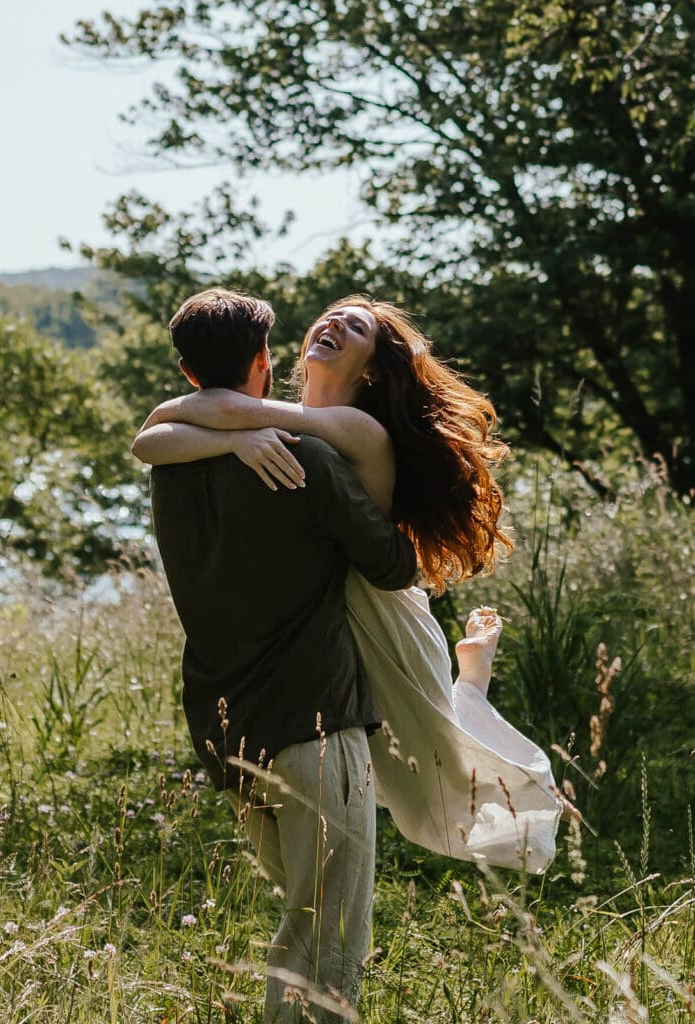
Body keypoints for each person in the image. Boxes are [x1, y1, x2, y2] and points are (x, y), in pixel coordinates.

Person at [134, 295, 567, 875]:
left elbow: (167, 424)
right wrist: (232, 439)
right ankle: (468, 676)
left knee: (441, 754)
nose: (334, 321)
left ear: (370, 369)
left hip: (379, 605)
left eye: (355, 325)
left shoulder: (355, 428)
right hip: (330, 607)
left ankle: (474, 678)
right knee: (410, 755)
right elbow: (158, 437)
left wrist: (230, 429)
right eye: (331, 315)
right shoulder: (272, 423)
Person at [145, 289, 417, 1022]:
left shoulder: (169, 464)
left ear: (185, 368)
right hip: (314, 726)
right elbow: (391, 566)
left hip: (224, 734)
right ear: (266, 360)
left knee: (302, 924)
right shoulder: (308, 459)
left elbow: (154, 432)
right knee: (323, 947)